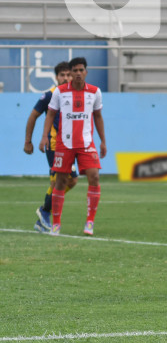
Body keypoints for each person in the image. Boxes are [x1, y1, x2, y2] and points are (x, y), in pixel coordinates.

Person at [38, 57, 107, 236]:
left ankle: (90, 222)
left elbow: (98, 116)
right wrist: (44, 137)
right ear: (71, 72)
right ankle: (56, 224)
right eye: (74, 70)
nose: (77, 73)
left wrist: (103, 141)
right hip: (64, 143)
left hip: (86, 143)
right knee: (60, 181)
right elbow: (50, 115)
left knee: (94, 177)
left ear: (86, 72)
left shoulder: (95, 92)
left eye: (80, 70)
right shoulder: (60, 92)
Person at [23, 61, 79, 233]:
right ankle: (45, 213)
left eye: (68, 75)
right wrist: (28, 141)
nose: (66, 78)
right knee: (59, 181)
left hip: (70, 145)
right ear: (56, 77)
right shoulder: (49, 96)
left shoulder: (76, 95)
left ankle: (43, 215)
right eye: (62, 75)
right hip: (54, 144)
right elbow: (33, 116)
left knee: (72, 180)